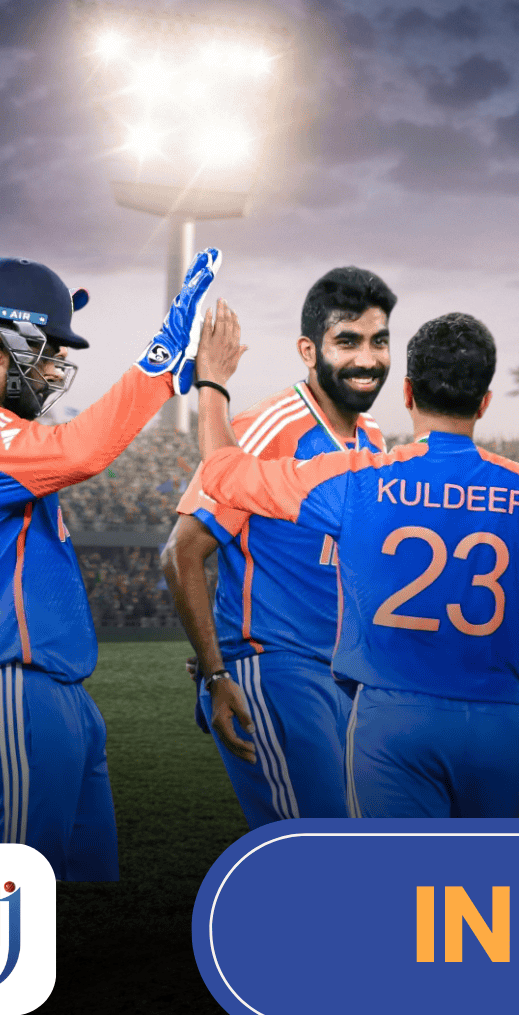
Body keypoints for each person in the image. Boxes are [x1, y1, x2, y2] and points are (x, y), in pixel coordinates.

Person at [0, 251, 223, 878]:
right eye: (46, 351)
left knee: (68, 909)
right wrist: (161, 358)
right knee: (9, 918)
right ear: (0, 349)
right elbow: (82, 450)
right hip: (8, 693)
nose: (54, 371)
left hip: (34, 693)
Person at [189, 307, 519, 817]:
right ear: (484, 402)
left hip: (390, 719)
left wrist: (213, 382)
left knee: (396, 882)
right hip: (495, 725)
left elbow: (223, 474)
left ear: (406, 393)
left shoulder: (358, 479)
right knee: (481, 888)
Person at [163, 267, 396, 826]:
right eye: (348, 342)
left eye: (379, 341)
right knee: (318, 856)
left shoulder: (375, 440)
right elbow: (182, 552)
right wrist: (219, 672)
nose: (367, 358)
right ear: (308, 351)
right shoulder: (269, 427)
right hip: (276, 670)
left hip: (342, 678)